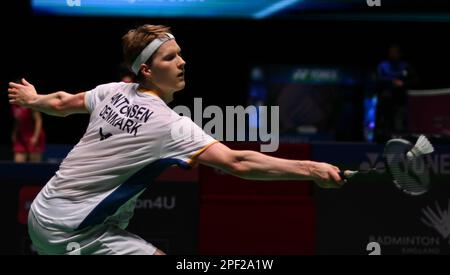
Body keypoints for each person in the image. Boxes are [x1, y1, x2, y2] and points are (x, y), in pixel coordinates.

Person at [8, 24, 343, 255]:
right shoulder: (170, 125)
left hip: (41, 212)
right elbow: (238, 162)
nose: (182, 62)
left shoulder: (111, 91)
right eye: (170, 58)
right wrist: (311, 169)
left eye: (180, 54)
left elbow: (61, 103)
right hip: (76, 231)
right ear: (147, 70)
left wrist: (33, 98)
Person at [375, 43, 418, 142]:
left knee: (399, 124)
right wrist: (391, 81)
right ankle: (382, 139)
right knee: (385, 122)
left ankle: (399, 142)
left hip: (401, 101)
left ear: (399, 53)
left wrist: (403, 83)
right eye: (391, 52)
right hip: (385, 100)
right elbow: (378, 79)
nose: (393, 54)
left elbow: (415, 80)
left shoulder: (405, 66)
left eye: (395, 52)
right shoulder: (383, 66)